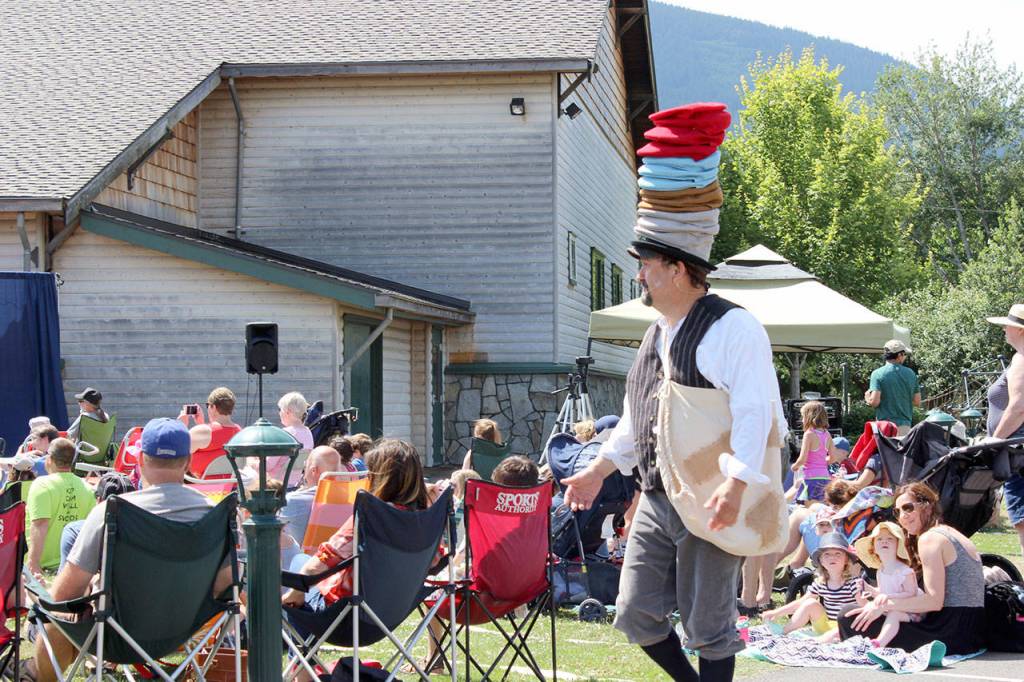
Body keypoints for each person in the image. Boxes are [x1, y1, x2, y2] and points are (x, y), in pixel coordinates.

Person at [562, 217, 785, 682]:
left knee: (708, 624)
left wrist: (737, 481)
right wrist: (597, 470)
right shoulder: (654, 334)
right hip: (658, 495)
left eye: (646, 264)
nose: (640, 275)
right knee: (634, 612)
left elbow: (755, 412)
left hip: (713, 493)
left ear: (679, 269)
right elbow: (634, 421)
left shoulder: (735, 328)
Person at [28, 418, 234, 682]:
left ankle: (34, 675)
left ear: (141, 461)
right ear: (188, 462)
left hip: (116, 636)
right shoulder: (215, 514)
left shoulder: (112, 511)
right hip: (182, 634)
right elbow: (222, 586)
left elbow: (63, 595)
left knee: (55, 616)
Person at [281, 439, 433, 649]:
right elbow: (435, 563)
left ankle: (301, 671)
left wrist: (294, 593)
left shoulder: (372, 517)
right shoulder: (426, 520)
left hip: (347, 618)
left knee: (300, 565)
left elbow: (321, 561)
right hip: (389, 616)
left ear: (379, 478)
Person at [838, 481, 986, 654]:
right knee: (863, 613)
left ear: (928, 507)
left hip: (949, 632)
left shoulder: (930, 539)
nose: (903, 516)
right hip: (971, 630)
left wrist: (882, 606)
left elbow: (934, 602)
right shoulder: (952, 533)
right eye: (897, 511)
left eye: (908, 508)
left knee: (847, 615)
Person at [762, 532, 862, 641]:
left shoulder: (854, 583)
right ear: (821, 561)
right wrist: (777, 612)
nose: (832, 558)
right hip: (826, 626)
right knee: (810, 603)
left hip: (846, 628)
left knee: (850, 615)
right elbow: (801, 603)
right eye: (827, 554)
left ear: (846, 560)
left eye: (838, 554)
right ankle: (784, 632)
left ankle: (824, 640)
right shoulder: (821, 583)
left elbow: (865, 609)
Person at [984, 303, 1024, 557]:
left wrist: (993, 440)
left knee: (1022, 522)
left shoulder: (1021, 358)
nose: (1003, 330)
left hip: (1018, 453)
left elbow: (1019, 406)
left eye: (1006, 326)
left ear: (1019, 330)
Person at [25, 438, 96, 580]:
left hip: (43, 569)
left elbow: (40, 524)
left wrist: (33, 563)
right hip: (72, 566)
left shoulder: (42, 484)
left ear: (49, 459)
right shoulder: (87, 488)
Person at [853, 521, 922, 648]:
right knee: (865, 608)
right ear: (873, 548)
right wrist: (870, 590)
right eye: (879, 539)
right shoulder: (880, 571)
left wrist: (887, 597)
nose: (884, 541)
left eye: (890, 539)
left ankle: (879, 643)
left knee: (893, 615)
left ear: (898, 546)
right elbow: (883, 591)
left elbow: (911, 593)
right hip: (890, 607)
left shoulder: (904, 570)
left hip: (910, 611)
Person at [57, 471, 135, 572]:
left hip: (94, 585)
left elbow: (67, 579)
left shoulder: (75, 531)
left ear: (99, 500)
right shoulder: (144, 531)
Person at [279, 445, 342, 546]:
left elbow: (270, 529)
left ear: (313, 471)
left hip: (305, 559)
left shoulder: (293, 500)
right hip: (341, 559)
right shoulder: (350, 498)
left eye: (305, 466)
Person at [179, 387, 242, 478]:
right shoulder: (239, 432)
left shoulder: (202, 432)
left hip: (201, 487)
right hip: (230, 486)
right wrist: (201, 423)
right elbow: (215, 439)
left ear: (213, 407)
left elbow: (176, 451)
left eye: (208, 405)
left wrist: (181, 426)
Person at [864, 340, 921, 437]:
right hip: (904, 426)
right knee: (902, 452)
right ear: (899, 355)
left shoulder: (877, 374)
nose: (905, 357)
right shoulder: (910, 373)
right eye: (904, 354)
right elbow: (917, 401)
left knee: (885, 452)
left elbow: (875, 402)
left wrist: (867, 398)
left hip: (884, 427)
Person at [791, 401, 843, 504]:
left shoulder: (809, 434)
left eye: (803, 416)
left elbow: (803, 459)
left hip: (810, 479)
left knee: (806, 511)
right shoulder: (827, 434)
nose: (802, 420)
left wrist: (794, 466)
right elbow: (833, 458)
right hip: (825, 478)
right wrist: (821, 462)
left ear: (809, 417)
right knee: (821, 510)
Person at [275, 392, 314, 479]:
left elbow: (268, 465)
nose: (279, 413)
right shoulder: (308, 432)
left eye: (280, 410)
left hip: (276, 485)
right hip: (295, 483)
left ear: (287, 412)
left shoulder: (283, 434)